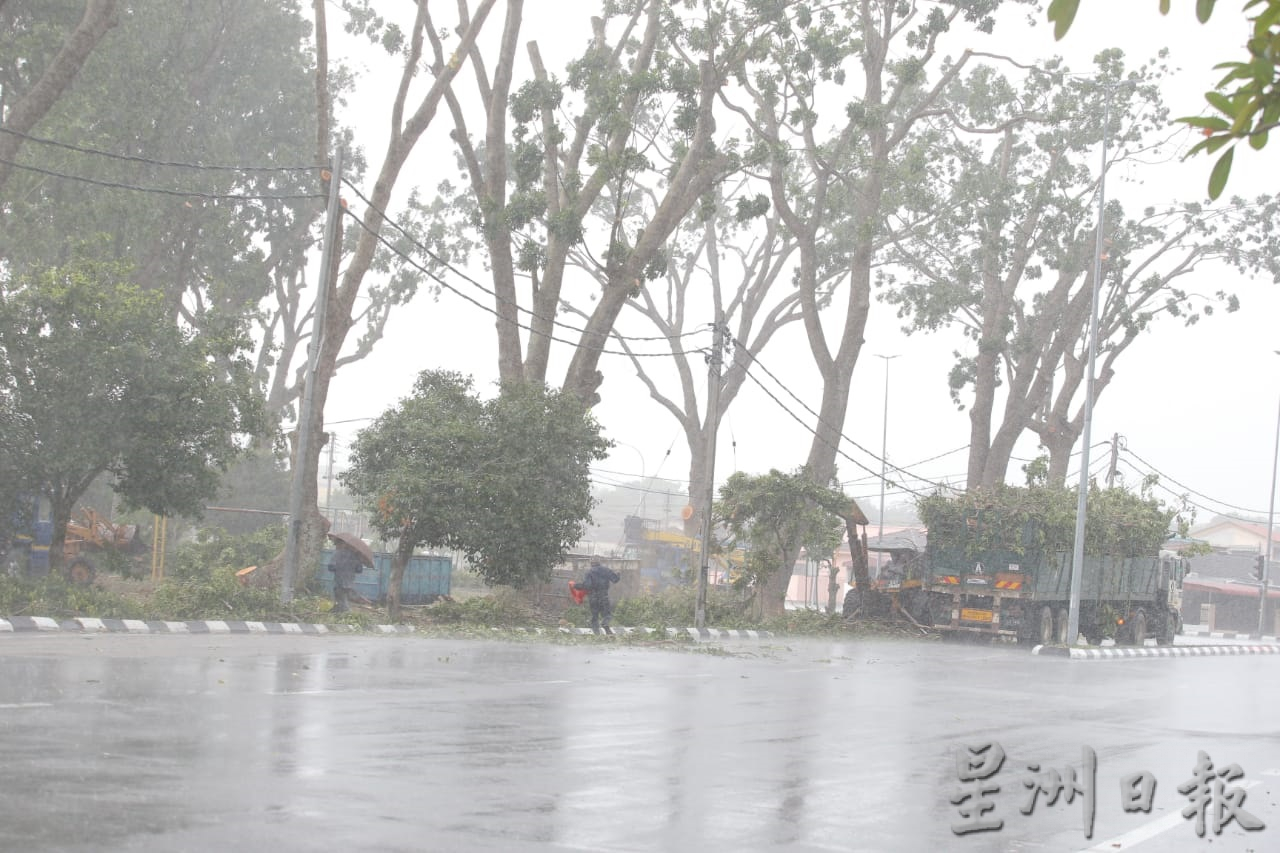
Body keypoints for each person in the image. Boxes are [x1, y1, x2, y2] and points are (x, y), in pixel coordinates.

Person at [581, 559, 621, 635]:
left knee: (594, 616)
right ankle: (605, 623)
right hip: (603, 595)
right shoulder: (606, 570)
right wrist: (618, 574)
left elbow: (586, 585)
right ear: (599, 563)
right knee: (607, 614)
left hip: (593, 596)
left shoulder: (588, 572)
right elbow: (615, 580)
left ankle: (597, 635)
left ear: (591, 564)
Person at [329, 539, 365, 613]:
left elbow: (330, 567)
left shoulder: (337, 554)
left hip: (339, 582)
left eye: (337, 544)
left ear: (342, 544)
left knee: (342, 601)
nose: (336, 546)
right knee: (342, 600)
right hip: (350, 584)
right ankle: (338, 612)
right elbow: (359, 570)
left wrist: (339, 567)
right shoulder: (355, 556)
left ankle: (347, 614)